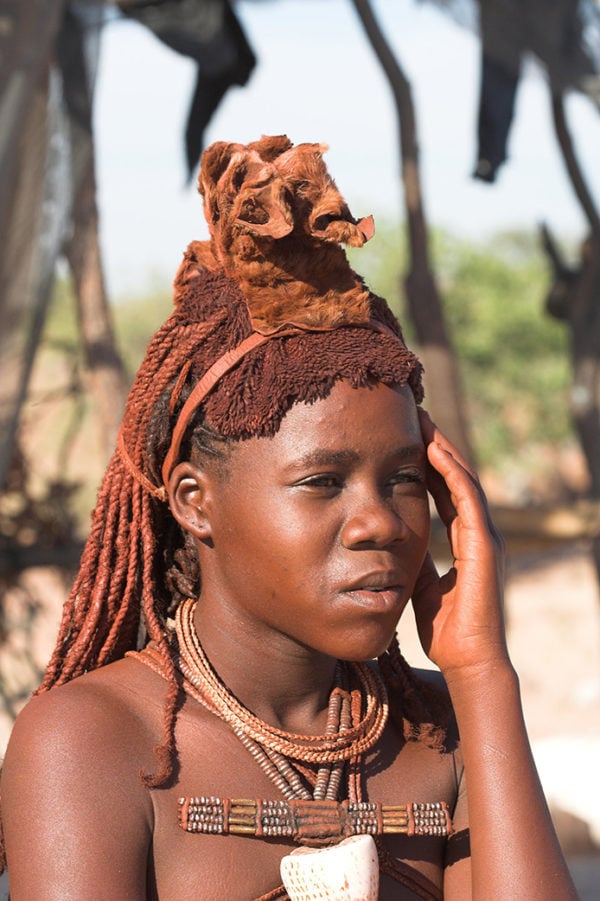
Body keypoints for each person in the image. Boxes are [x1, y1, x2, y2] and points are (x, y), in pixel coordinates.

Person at [0, 135, 576, 901]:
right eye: (323, 481)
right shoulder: (96, 740)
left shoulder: (444, 729)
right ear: (194, 502)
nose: (379, 523)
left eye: (404, 477)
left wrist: (481, 671)